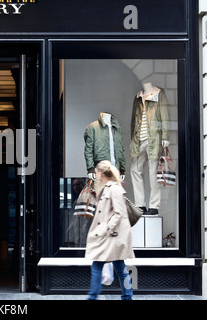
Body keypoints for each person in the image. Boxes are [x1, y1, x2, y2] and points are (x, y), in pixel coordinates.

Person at [85, 160, 134, 300]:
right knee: (119, 268)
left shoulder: (115, 189)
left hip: (112, 235)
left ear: (100, 173)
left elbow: (119, 213)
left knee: (99, 266)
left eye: (96, 173)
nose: (96, 175)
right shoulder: (108, 187)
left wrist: (106, 228)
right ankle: (127, 296)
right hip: (110, 235)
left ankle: (92, 297)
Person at [130, 82, 170, 216]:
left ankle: (154, 205)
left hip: (153, 138)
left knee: (153, 172)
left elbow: (165, 116)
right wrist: (132, 140)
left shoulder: (159, 94)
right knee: (135, 170)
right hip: (138, 140)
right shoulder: (137, 97)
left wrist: (165, 136)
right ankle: (140, 204)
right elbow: (133, 120)